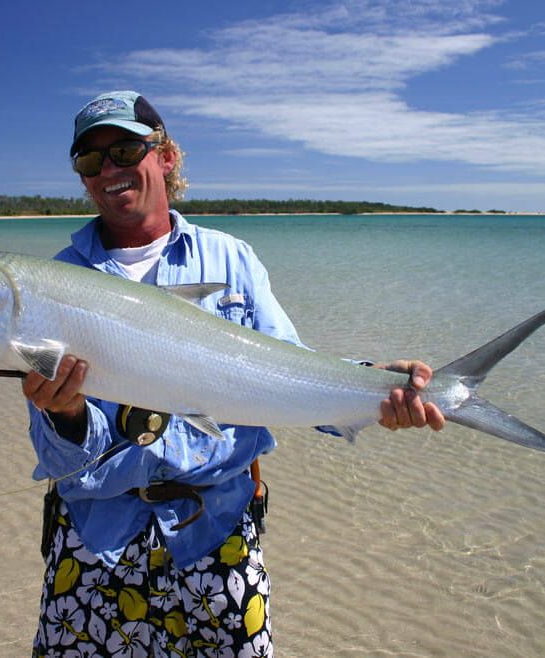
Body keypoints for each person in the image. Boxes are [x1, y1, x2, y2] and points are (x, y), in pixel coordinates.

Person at [22, 90, 444, 658]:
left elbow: (286, 371)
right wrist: (66, 413)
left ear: (166, 156)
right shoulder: (55, 283)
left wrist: (370, 384)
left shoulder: (231, 260)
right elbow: (59, 459)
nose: (109, 170)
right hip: (96, 543)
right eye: (90, 160)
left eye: (125, 149)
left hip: (216, 535)